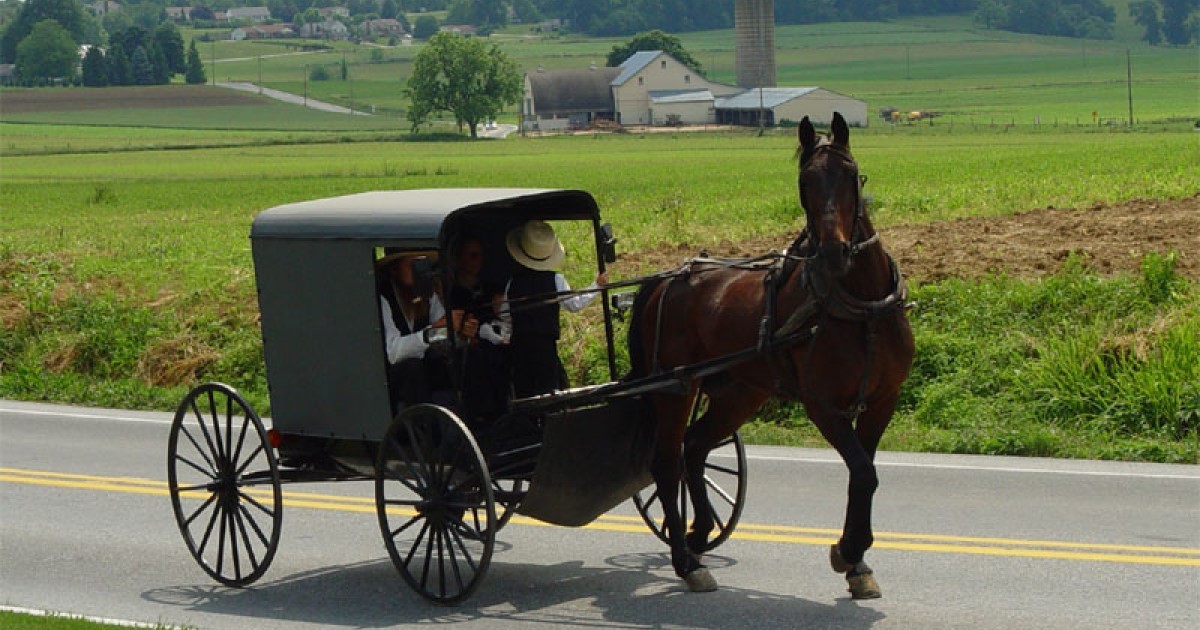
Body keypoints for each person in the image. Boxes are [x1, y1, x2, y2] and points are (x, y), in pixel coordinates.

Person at [502, 220, 608, 399]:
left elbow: (505, 314)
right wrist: (596, 285)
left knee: (524, 393)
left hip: (519, 345)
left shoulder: (513, 282)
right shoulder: (555, 280)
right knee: (547, 392)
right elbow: (575, 304)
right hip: (545, 345)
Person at [377, 250, 476, 412]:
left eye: (421, 266)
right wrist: (431, 332)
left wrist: (461, 332)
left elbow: (442, 335)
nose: (419, 272)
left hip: (423, 372)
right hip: (389, 379)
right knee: (412, 367)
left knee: (470, 355)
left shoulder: (426, 296)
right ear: (394, 270)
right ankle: (423, 426)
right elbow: (393, 352)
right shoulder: (383, 299)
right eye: (412, 266)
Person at [446, 237, 509, 421]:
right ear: (459, 260)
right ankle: (487, 416)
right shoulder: (451, 295)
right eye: (472, 255)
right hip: (466, 351)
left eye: (480, 255)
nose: (478, 260)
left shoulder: (492, 289)